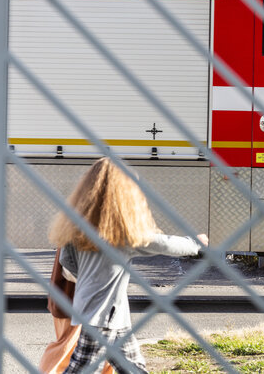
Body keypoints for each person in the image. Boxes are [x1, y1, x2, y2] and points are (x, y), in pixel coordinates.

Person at [48, 157, 208, 374]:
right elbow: (165, 244)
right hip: (103, 315)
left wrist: (90, 280)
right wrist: (196, 243)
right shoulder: (122, 236)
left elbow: (67, 263)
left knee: (133, 367)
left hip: (104, 312)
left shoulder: (79, 230)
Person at [38, 251, 113, 374]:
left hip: (79, 300)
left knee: (101, 352)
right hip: (74, 300)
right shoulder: (80, 233)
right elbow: (68, 267)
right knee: (65, 350)